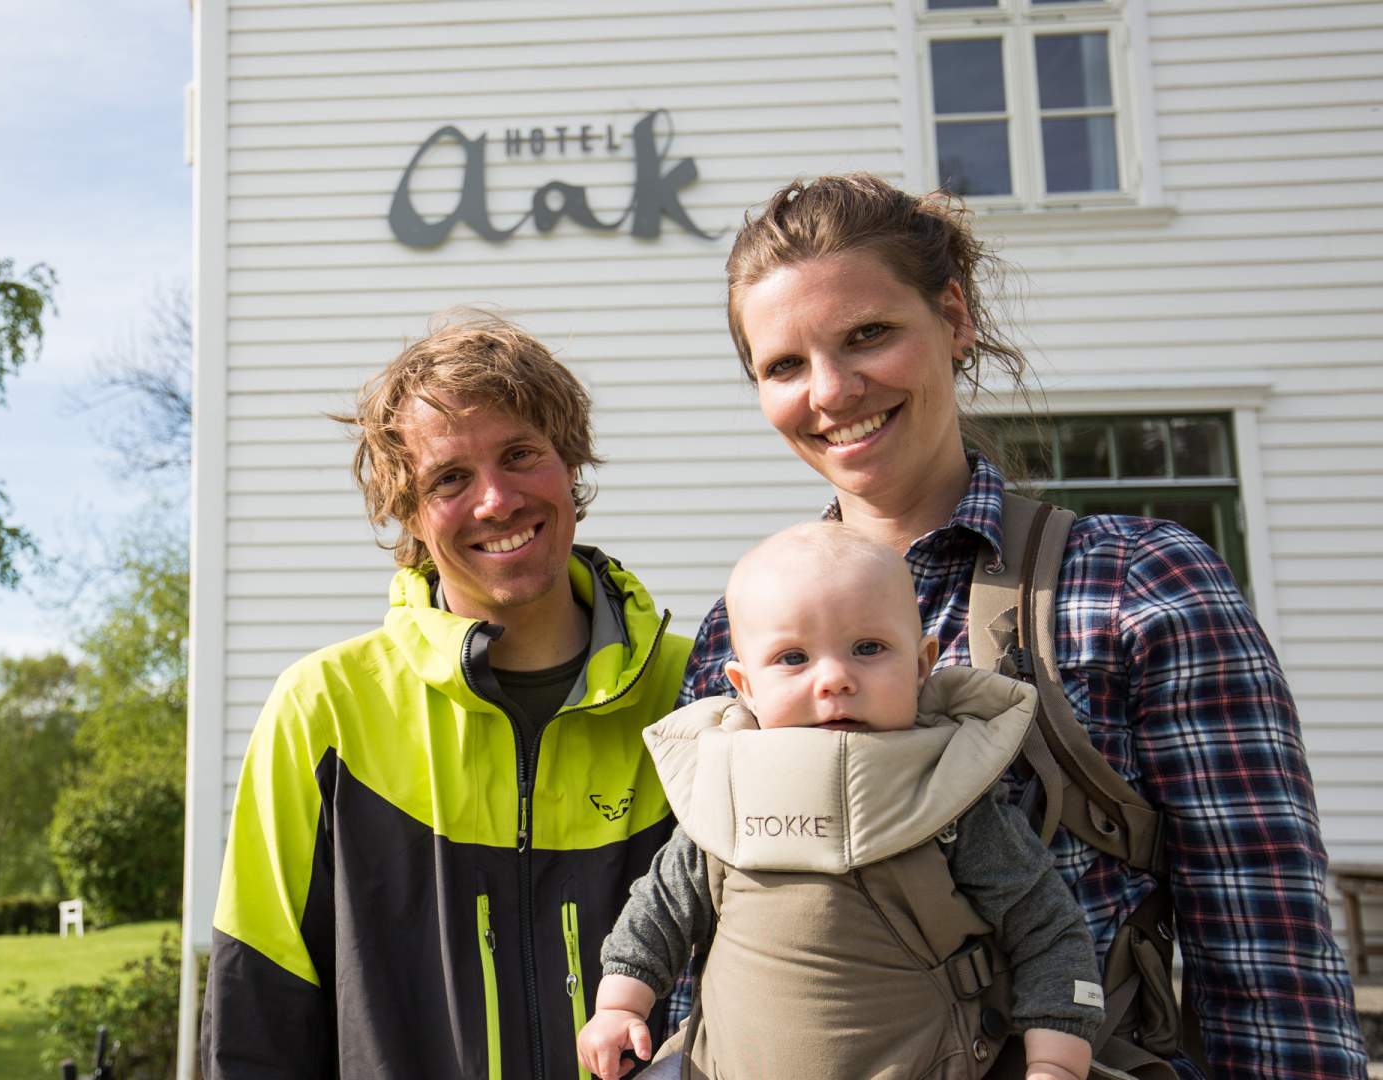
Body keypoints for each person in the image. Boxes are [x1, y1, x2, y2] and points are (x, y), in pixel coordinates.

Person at [669, 173, 1366, 1078]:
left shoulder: (1138, 583)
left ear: (953, 318)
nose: (832, 391)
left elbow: (1272, 978)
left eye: (868, 335)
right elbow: (697, 952)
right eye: (785, 366)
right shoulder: (738, 636)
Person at [200, 316, 693, 1079]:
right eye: (449, 479)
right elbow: (259, 1014)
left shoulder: (693, 693)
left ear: (570, 463)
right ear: (410, 513)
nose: (496, 501)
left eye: (520, 454)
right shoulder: (323, 709)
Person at [580, 522, 1103, 1080]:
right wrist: (619, 1003)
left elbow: (1045, 927)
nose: (834, 678)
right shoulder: (725, 789)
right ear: (745, 685)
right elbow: (659, 909)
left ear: (922, 664)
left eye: (868, 648)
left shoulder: (947, 790)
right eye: (793, 658)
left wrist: (1055, 1058)